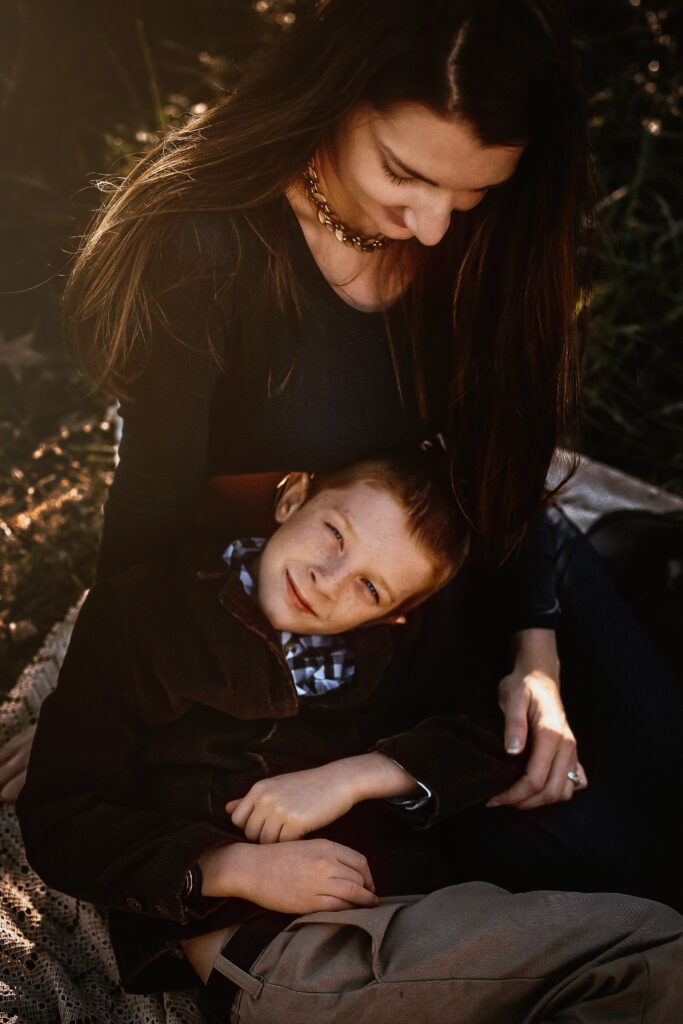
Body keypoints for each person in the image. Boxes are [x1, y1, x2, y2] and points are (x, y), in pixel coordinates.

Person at [3, 0, 681, 909]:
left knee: (662, 817)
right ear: (334, 94)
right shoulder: (207, 240)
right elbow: (156, 487)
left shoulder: (491, 240)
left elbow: (500, 452)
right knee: (578, 868)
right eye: (405, 174)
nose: (436, 226)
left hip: (476, 553)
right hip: (334, 614)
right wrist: (99, 685)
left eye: (472, 192)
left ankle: (624, 562)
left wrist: (535, 653)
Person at [16, 456, 683, 1023]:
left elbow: (481, 730)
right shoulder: (143, 615)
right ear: (291, 497)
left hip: (418, 907)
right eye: (333, 534)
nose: (327, 581)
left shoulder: (384, 644)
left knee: (646, 953)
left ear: (394, 611)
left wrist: (357, 774)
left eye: (367, 584)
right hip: (280, 949)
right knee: (653, 955)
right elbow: (61, 814)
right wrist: (231, 866)